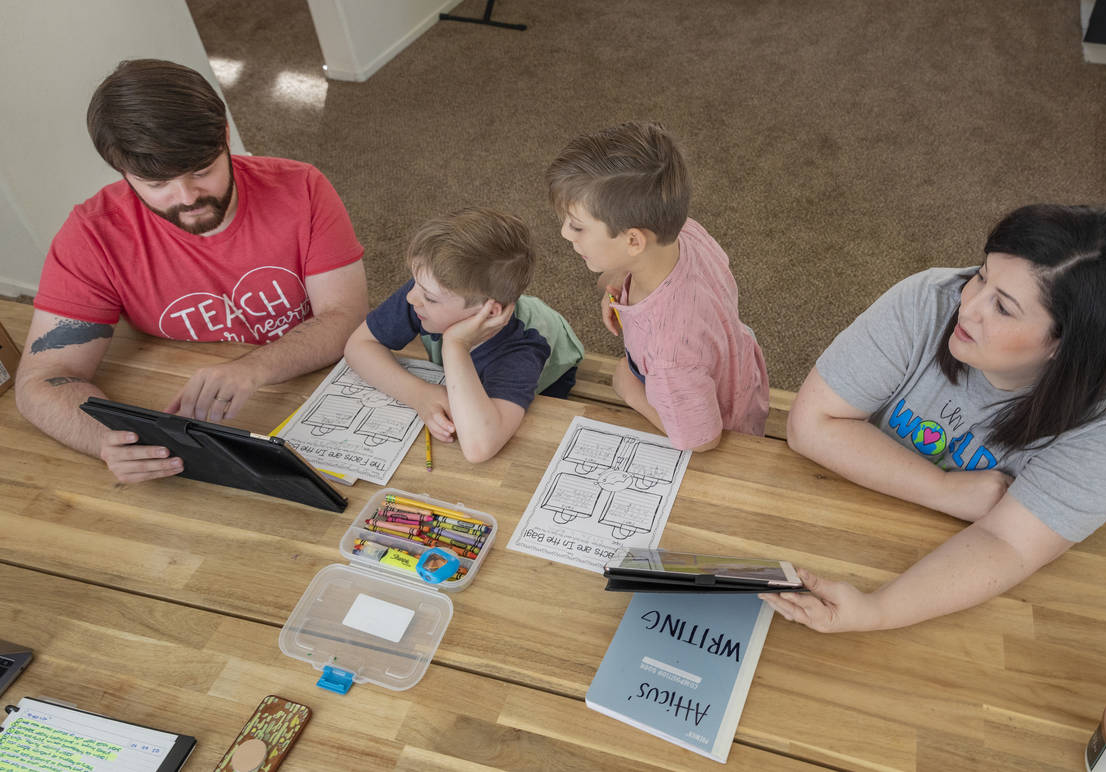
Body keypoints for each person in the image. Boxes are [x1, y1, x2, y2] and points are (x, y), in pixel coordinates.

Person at [766, 204, 1106, 632]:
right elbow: (809, 423)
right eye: (981, 274)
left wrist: (876, 610)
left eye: (1004, 308)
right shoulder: (929, 298)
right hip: (852, 506)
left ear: (1066, 345)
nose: (968, 304)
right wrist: (943, 489)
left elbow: (1010, 542)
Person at [14, 59, 368, 485]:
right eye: (157, 183)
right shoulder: (93, 235)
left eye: (202, 171)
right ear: (121, 171)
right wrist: (109, 441)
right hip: (187, 436)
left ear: (224, 137)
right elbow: (42, 379)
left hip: (318, 400)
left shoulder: (302, 189)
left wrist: (251, 368)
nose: (187, 198)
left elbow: (346, 316)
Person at [546, 121, 768, 452]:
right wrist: (619, 278)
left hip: (716, 417)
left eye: (577, 227)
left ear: (633, 240)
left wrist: (631, 389)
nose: (565, 233)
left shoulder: (670, 353)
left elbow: (702, 439)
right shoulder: (684, 233)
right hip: (738, 374)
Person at [344, 207, 584, 463]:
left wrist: (454, 345)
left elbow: (479, 448)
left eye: (429, 297)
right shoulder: (426, 292)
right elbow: (358, 346)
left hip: (550, 379)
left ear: (488, 313)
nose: (411, 297)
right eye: (415, 283)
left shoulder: (523, 349)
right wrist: (420, 394)